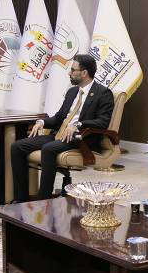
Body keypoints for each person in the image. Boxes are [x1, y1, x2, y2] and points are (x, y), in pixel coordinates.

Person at [10, 54, 114, 202]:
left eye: (73, 70)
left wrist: (78, 125)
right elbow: (59, 118)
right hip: (59, 135)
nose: (69, 73)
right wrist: (42, 122)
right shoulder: (72, 92)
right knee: (17, 147)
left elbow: (103, 122)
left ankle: (43, 201)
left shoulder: (103, 93)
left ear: (84, 73)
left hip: (81, 138)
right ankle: (20, 200)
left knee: (48, 149)